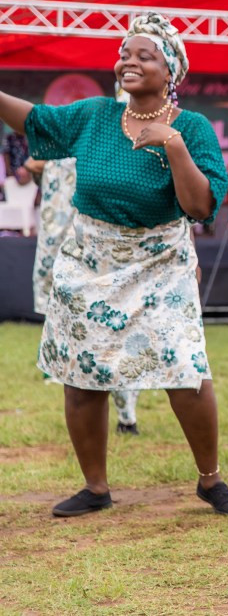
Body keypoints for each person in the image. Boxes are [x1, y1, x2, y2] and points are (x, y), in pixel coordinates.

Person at [0, 13, 228, 517]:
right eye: (125, 53)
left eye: (144, 55)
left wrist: (173, 145)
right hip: (89, 262)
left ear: (170, 70)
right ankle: (95, 488)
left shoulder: (192, 128)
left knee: (186, 369)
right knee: (82, 374)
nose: (129, 61)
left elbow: (201, 207)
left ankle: (209, 479)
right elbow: (35, 120)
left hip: (161, 262)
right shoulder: (94, 116)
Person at [27, 134, 143, 435]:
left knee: (112, 336)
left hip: (102, 261)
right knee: (102, 339)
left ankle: (125, 413)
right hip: (86, 261)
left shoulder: (95, 155)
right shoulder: (96, 154)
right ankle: (123, 415)